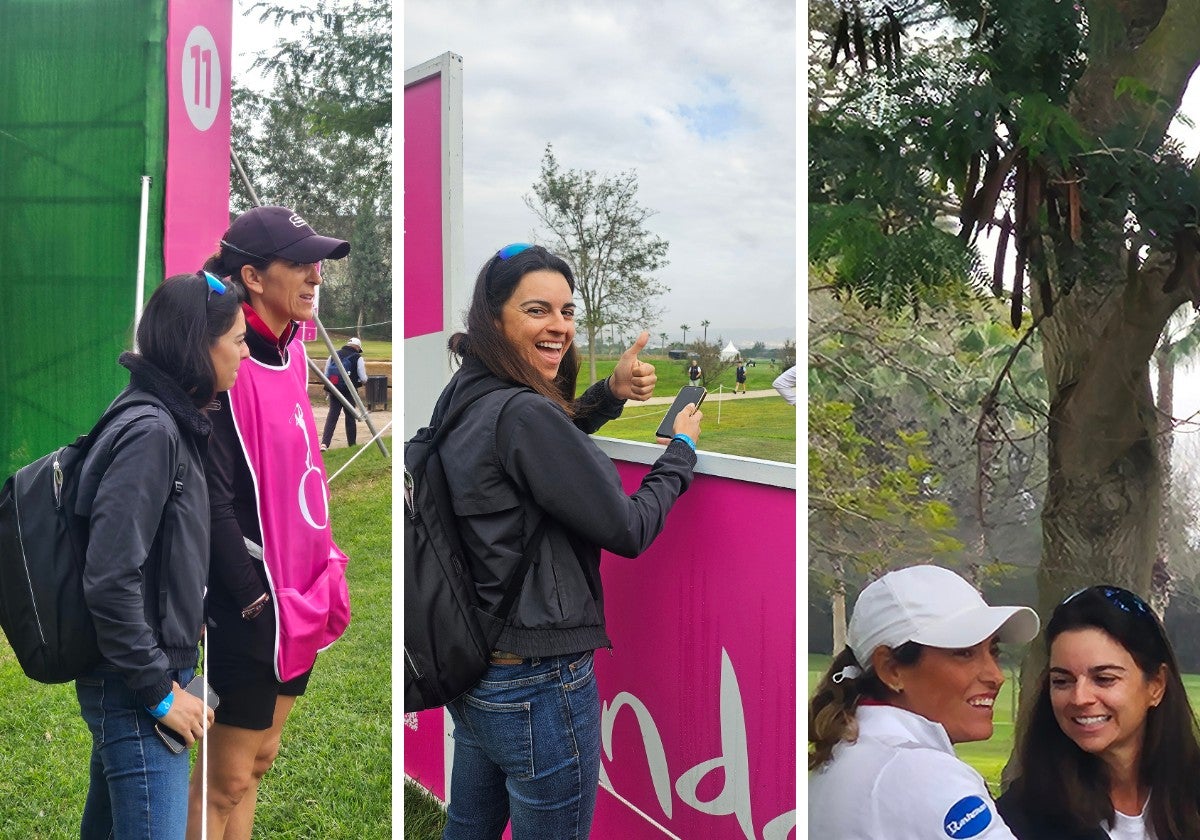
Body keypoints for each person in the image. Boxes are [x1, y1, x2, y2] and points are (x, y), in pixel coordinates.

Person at [431, 242, 702, 839]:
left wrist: (608, 393)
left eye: (567, 311)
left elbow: (535, 455)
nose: (559, 327)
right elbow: (628, 527)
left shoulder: (469, 393)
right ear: (493, 318)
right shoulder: (523, 413)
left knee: (468, 828)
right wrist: (679, 454)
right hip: (539, 681)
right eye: (537, 311)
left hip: (478, 669)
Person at [188, 205, 353, 839]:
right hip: (254, 604)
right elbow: (212, 498)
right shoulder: (224, 362)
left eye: (318, 264)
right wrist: (253, 597)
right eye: (301, 264)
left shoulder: (289, 349)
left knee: (258, 762)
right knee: (223, 781)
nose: (315, 276)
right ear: (253, 277)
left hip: (303, 593)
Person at [75, 271, 247, 840]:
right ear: (200, 345)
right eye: (238, 340)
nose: (245, 352)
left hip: (153, 670)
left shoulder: (172, 418)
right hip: (137, 682)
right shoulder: (152, 429)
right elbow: (109, 576)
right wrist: (158, 693)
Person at [809, 564, 1040, 839]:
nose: (996, 676)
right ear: (891, 669)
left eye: (994, 651)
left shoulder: (843, 752)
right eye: (964, 653)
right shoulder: (923, 773)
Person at [996, 585, 1200, 840]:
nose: (1080, 698)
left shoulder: (1190, 793)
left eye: (1104, 679)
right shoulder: (1020, 819)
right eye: (1062, 681)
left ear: (1156, 685)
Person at [320, 336, 367, 450]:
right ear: (357, 347)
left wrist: (329, 388)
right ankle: (352, 444)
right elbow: (363, 378)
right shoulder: (358, 357)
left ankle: (324, 444)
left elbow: (326, 374)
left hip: (334, 390)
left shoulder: (333, 354)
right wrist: (361, 382)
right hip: (349, 391)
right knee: (350, 416)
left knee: (332, 416)